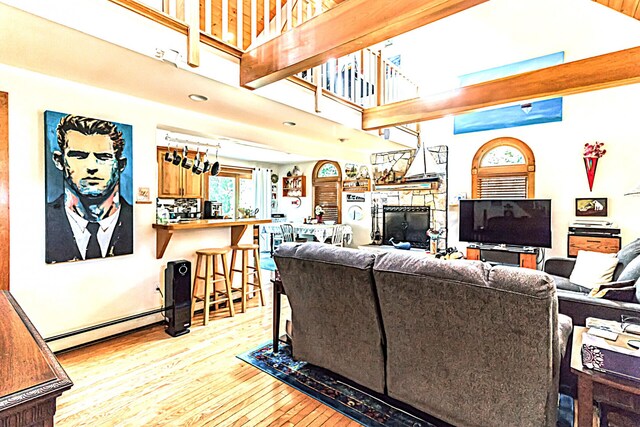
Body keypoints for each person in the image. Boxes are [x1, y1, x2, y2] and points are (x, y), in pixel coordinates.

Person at [45, 114, 133, 263]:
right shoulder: (41, 221)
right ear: (59, 161)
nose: (91, 167)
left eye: (104, 157)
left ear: (121, 165)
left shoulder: (134, 222)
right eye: (78, 156)